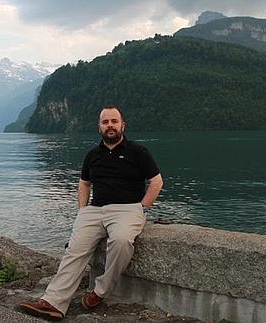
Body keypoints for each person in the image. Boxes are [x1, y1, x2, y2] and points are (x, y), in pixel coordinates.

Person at [20, 105, 163, 320]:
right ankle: (54, 303)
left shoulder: (138, 152)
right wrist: (82, 211)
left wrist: (142, 208)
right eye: (105, 122)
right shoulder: (92, 155)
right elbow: (84, 184)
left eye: (114, 121)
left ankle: (99, 291)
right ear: (99, 127)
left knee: (122, 241)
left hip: (128, 209)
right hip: (94, 210)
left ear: (123, 125)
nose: (110, 126)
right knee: (75, 250)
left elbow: (156, 182)